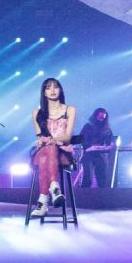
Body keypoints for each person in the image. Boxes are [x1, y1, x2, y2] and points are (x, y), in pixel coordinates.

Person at [30, 77, 76, 218]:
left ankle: (42, 202)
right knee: (48, 150)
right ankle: (55, 189)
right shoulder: (37, 113)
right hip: (43, 150)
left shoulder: (70, 109)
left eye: (55, 87)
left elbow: (67, 137)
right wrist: (43, 141)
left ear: (60, 90)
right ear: (44, 92)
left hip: (63, 153)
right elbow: (40, 137)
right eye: (48, 87)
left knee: (47, 155)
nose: (52, 90)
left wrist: (53, 140)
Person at [80, 107, 116, 188]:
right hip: (89, 154)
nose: (101, 120)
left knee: (102, 178)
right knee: (88, 178)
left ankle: (103, 194)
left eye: (103, 118)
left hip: (101, 155)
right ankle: (84, 194)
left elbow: (110, 142)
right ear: (95, 116)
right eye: (100, 117)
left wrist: (107, 146)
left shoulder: (107, 129)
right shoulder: (88, 126)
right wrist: (89, 147)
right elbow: (81, 139)